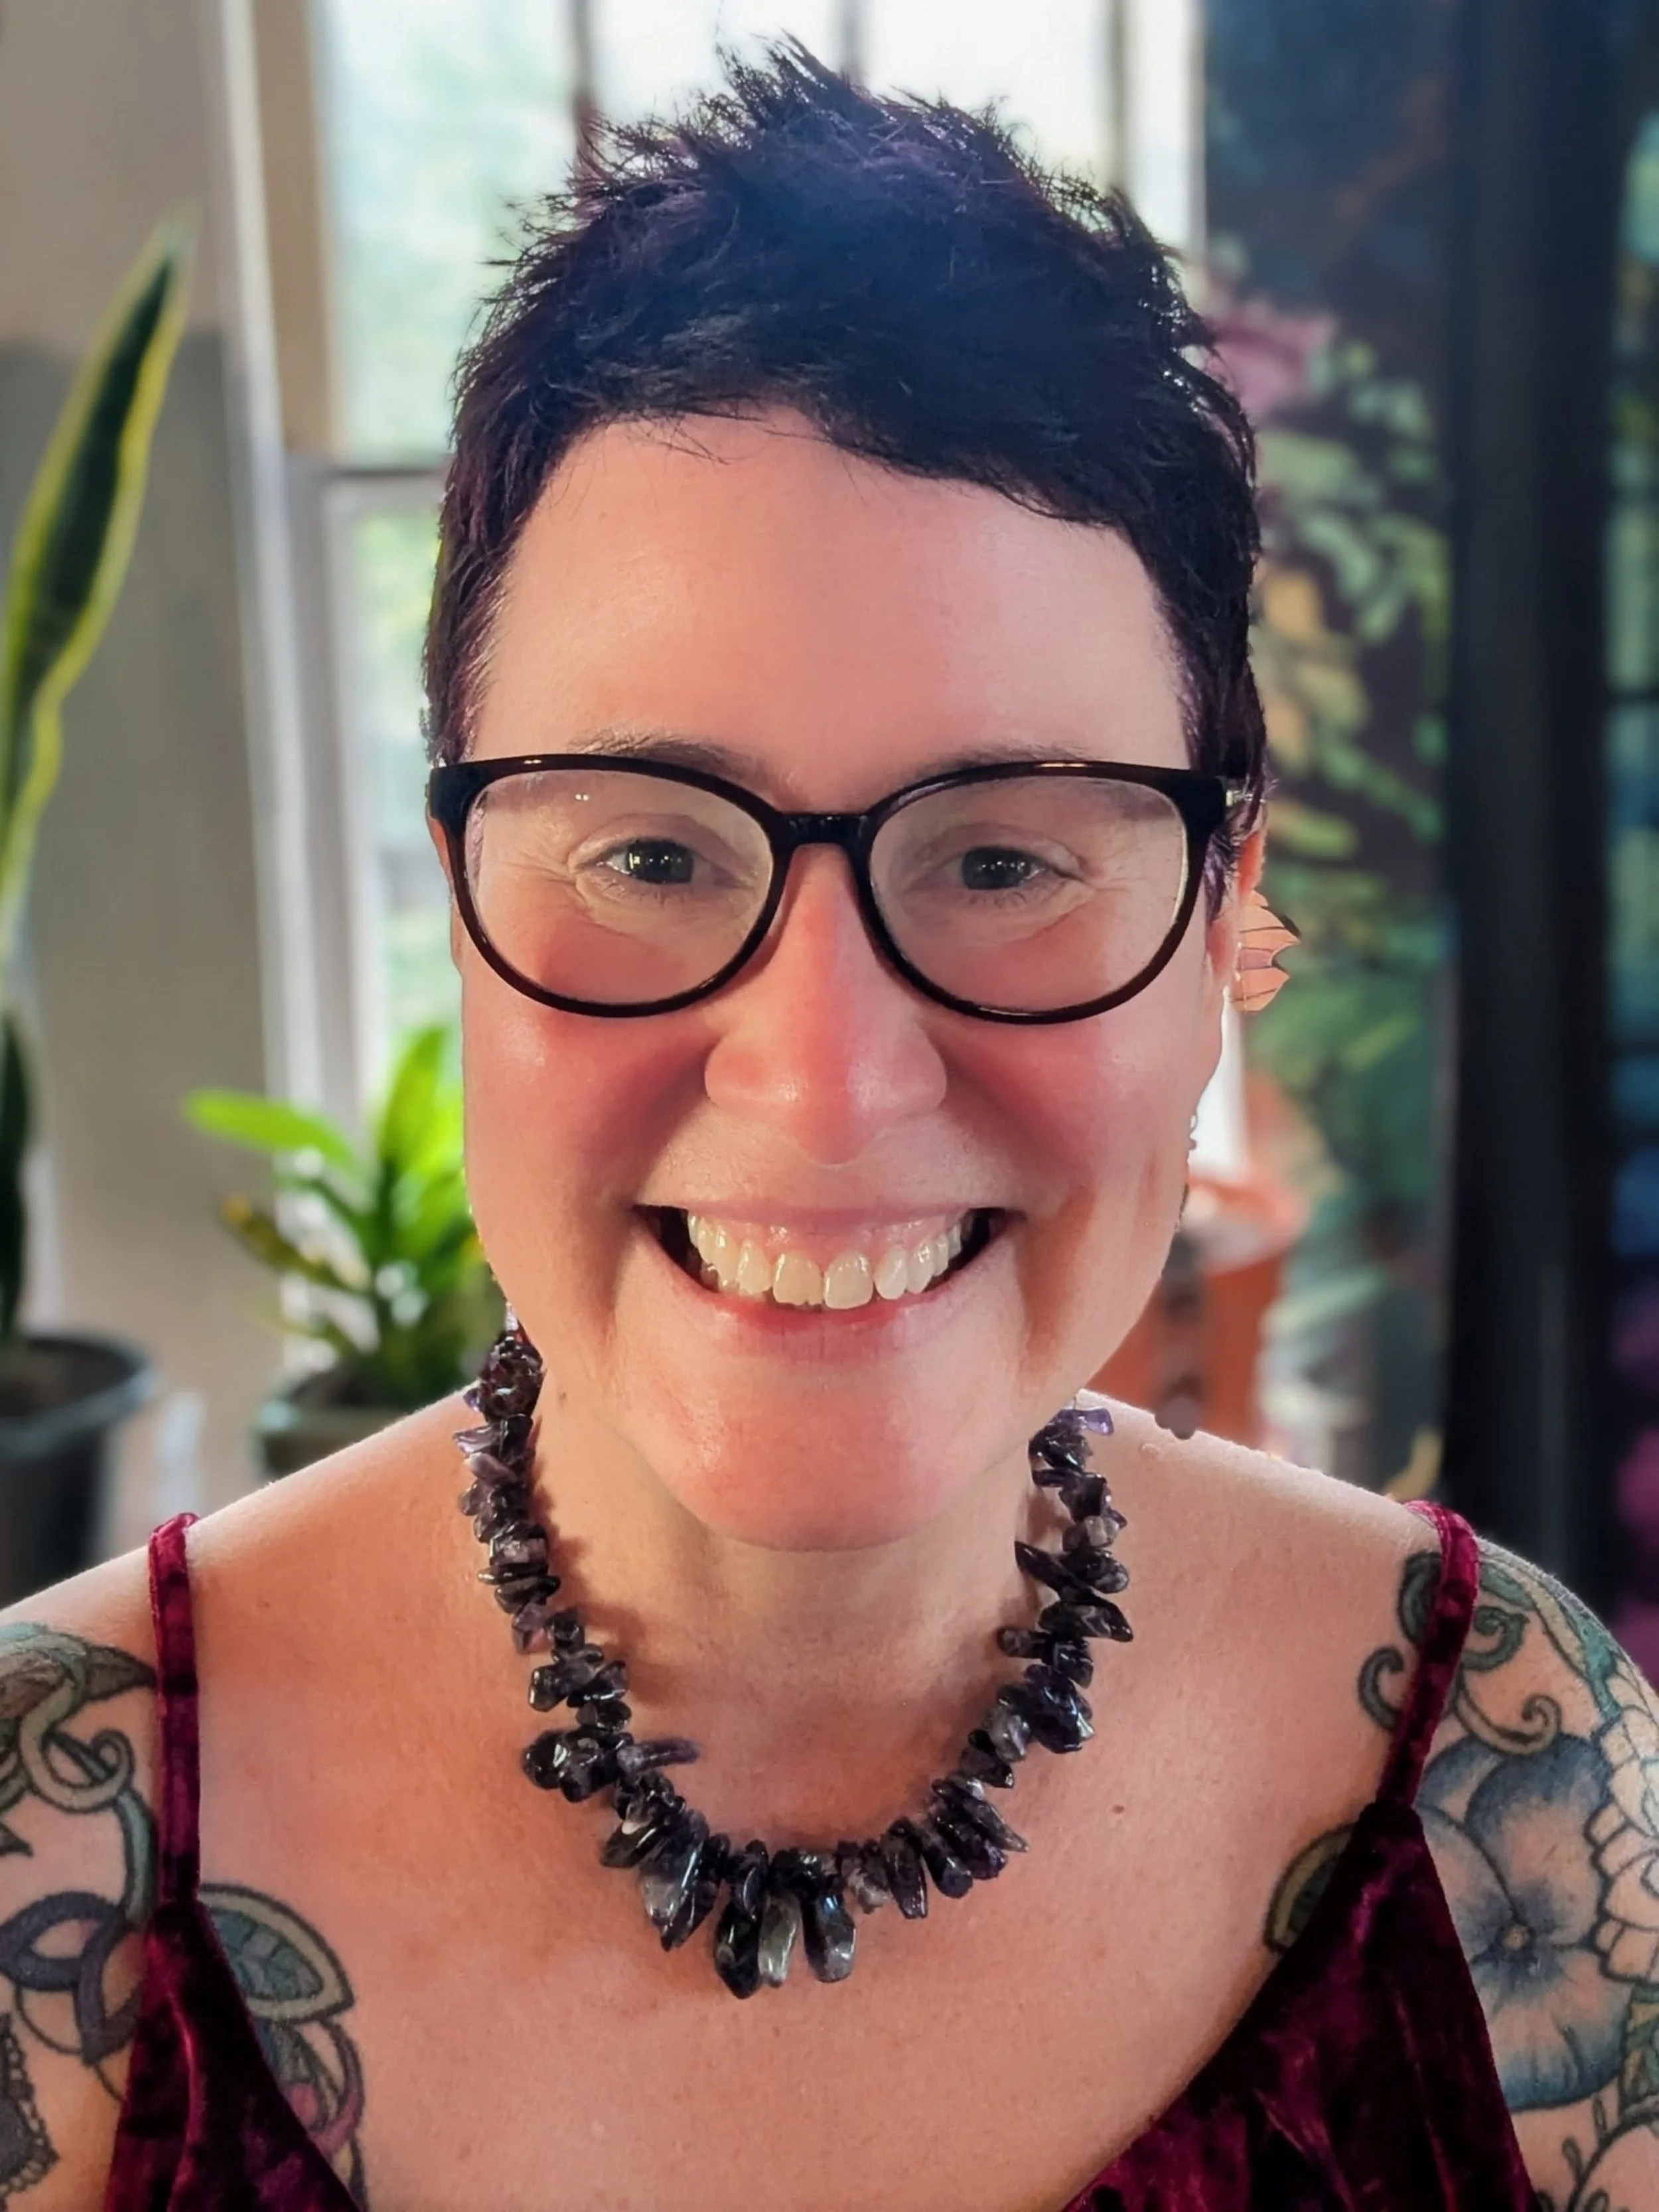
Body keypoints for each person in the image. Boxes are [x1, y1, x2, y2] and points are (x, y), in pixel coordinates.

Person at [9, 45, 1656, 2211]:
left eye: (1002, 860)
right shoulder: (53, 1838)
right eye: (652, 855)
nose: (822, 1072)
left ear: (1223, 918)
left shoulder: (1510, 1779)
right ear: (462, 904)